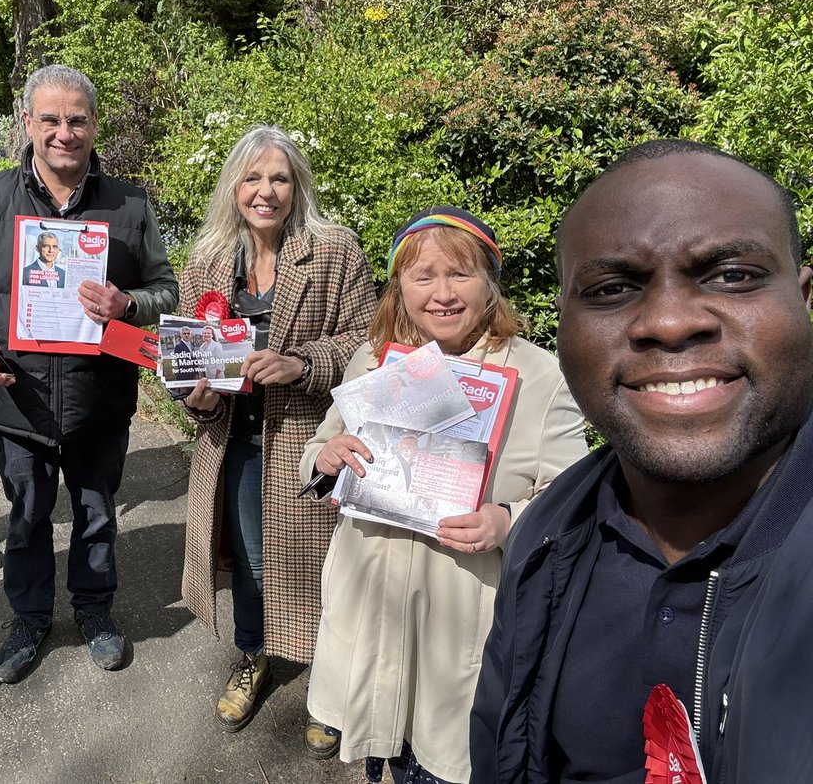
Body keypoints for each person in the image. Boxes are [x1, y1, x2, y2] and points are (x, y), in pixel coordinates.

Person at [470, 141, 813, 783]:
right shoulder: (543, 539)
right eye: (612, 289)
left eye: (732, 274)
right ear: (563, 325)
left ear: (803, 298)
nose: (670, 321)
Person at [301, 206, 588, 784]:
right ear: (398, 287)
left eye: (460, 274)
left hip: (459, 612)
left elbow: (571, 500)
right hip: (371, 601)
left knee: (441, 757)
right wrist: (326, 459)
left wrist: (509, 521)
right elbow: (321, 446)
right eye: (422, 276)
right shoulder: (374, 359)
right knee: (380, 750)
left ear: (490, 283)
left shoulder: (542, 376)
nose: (442, 293)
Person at [0, 63, 178, 684]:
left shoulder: (130, 203)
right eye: (51, 119)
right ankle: (30, 617)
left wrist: (130, 306)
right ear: (28, 123)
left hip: (100, 399)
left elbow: (165, 288)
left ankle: (95, 611)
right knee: (27, 518)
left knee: (97, 514)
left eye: (77, 119)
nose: (64, 132)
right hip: (17, 398)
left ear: (95, 126)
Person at [178, 125, 377, 754]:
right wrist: (194, 395)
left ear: (298, 187)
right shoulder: (206, 260)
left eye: (280, 178)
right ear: (233, 187)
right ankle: (252, 653)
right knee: (253, 565)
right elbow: (182, 364)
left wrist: (302, 363)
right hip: (234, 439)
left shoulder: (335, 249)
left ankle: (330, 683)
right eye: (253, 178)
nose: (266, 191)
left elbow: (366, 342)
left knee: (322, 568)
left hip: (308, 438)